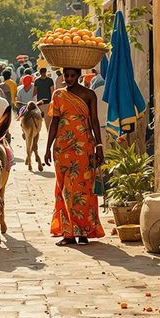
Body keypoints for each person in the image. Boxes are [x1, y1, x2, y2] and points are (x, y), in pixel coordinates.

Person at [44, 67, 106, 246]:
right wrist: (47, 148)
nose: (69, 79)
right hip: (62, 148)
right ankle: (68, 233)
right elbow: (54, 122)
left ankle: (84, 232)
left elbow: (94, 121)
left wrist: (99, 146)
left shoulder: (89, 94)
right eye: (67, 76)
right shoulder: (58, 95)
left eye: (72, 76)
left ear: (78, 76)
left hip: (84, 147)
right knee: (63, 189)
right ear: (63, 76)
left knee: (82, 189)